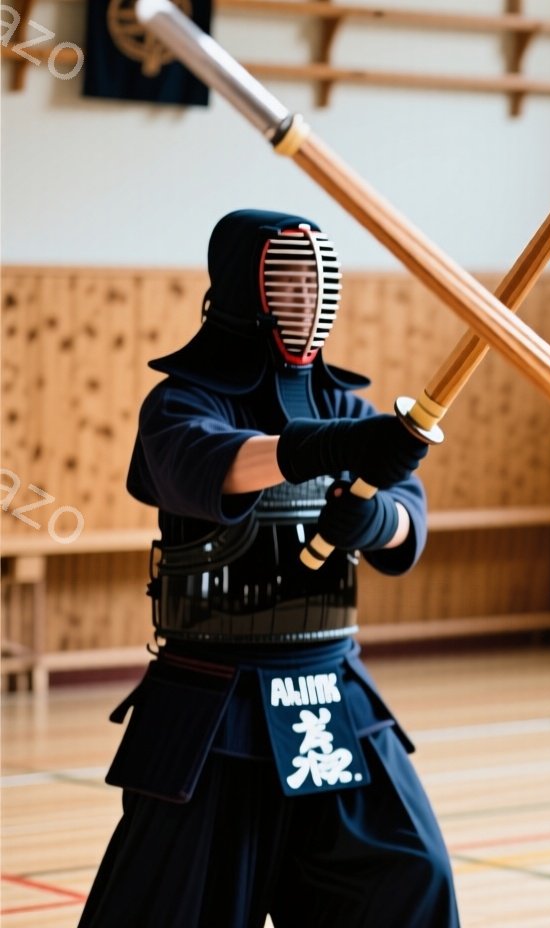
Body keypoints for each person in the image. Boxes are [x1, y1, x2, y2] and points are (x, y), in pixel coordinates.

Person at [79, 209, 459, 927]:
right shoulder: (183, 402)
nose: (306, 301)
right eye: (286, 283)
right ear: (241, 292)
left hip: (329, 690)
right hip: (214, 702)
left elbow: (409, 518)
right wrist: (320, 449)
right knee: (177, 906)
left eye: (317, 283)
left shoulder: (344, 402)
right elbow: (209, 461)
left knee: (410, 878)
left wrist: (378, 519)